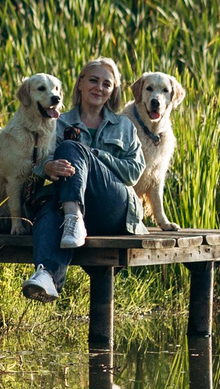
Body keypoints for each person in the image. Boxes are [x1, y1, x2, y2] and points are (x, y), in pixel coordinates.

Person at [22, 57, 144, 304]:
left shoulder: (124, 126)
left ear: (112, 91)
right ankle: (47, 276)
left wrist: (94, 156)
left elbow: (133, 172)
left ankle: (73, 217)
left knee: (73, 148)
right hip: (68, 212)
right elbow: (36, 161)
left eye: (106, 84)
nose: (99, 87)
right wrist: (47, 167)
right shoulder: (58, 122)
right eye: (93, 80)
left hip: (113, 208)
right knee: (49, 210)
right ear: (79, 84)